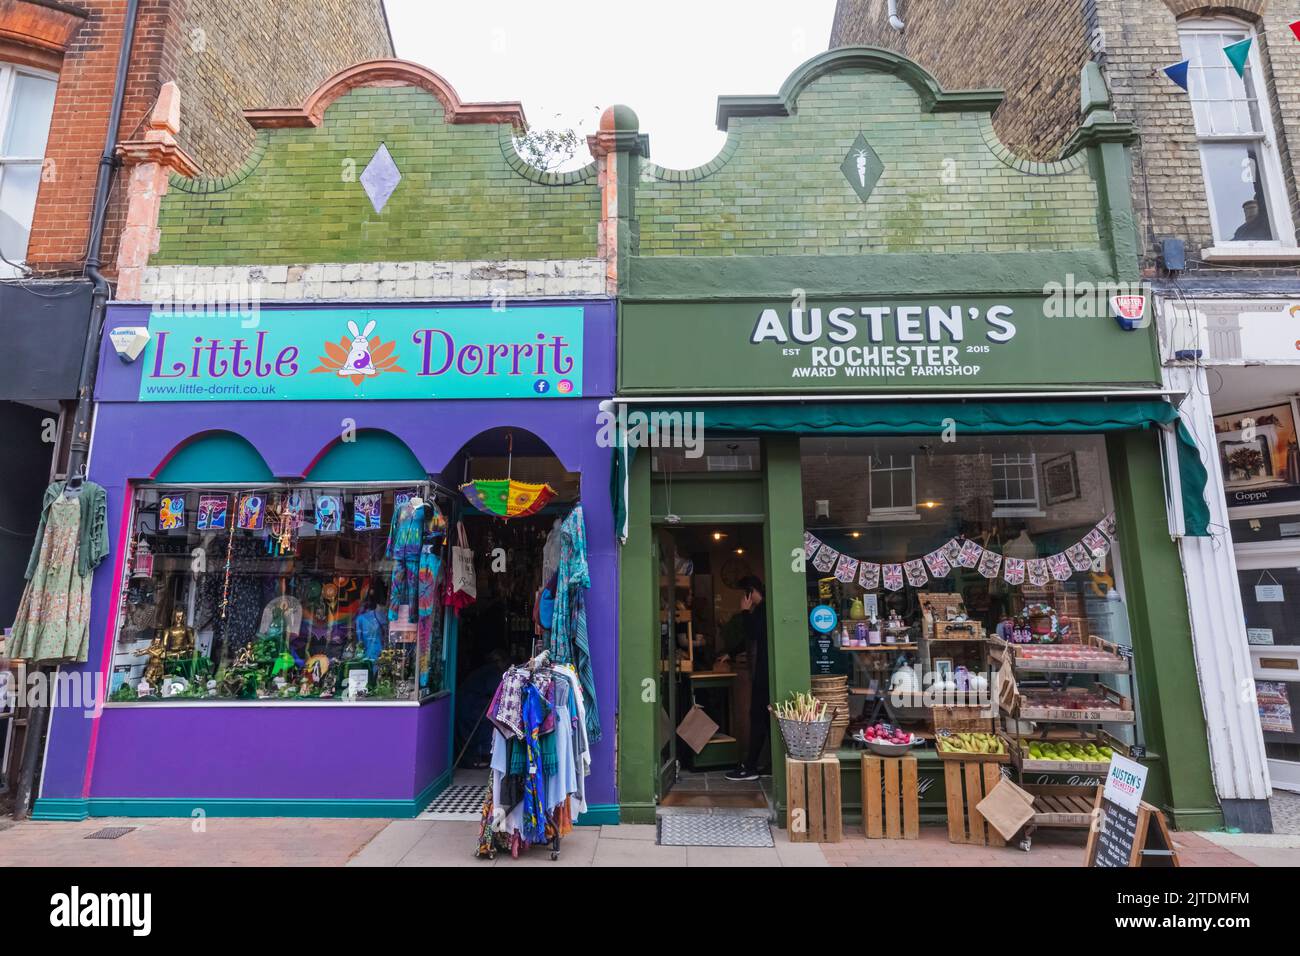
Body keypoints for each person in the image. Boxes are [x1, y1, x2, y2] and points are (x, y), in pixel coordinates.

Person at [726, 576, 769, 782]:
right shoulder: (764, 610)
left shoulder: (762, 610)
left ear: (751, 593)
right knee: (765, 718)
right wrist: (731, 652)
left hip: (765, 673)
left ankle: (751, 766)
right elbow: (751, 639)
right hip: (765, 671)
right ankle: (764, 764)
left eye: (746, 594)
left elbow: (753, 633)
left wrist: (744, 610)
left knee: (758, 716)